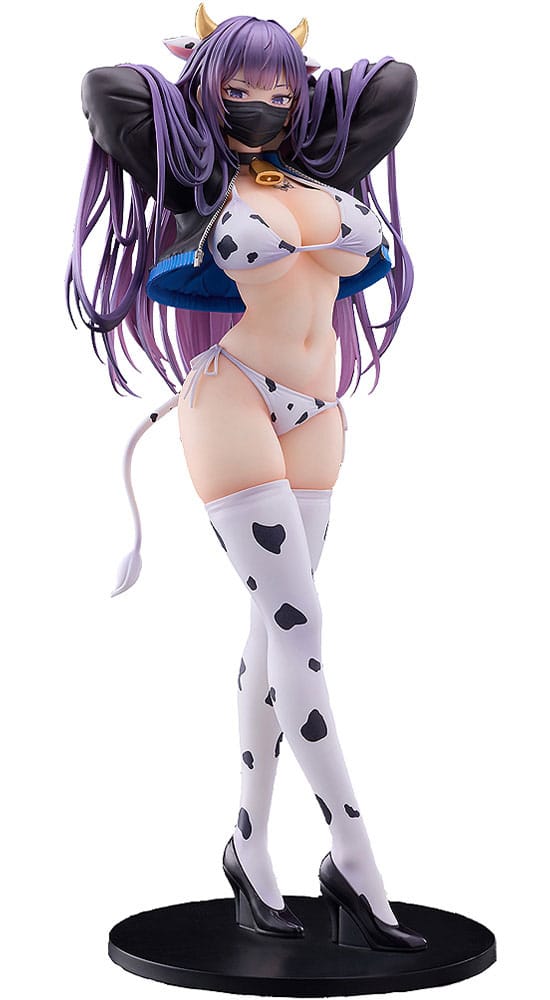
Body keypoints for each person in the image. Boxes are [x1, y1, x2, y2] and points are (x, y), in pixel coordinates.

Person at [67, 6, 426, 950]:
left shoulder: (320, 170)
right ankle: (356, 859)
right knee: (300, 627)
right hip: (232, 400)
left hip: (319, 412)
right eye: (241, 90)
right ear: (207, 94)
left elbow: (396, 83)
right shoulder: (194, 176)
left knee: (276, 628)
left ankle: (248, 848)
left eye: (281, 91)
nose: (262, 106)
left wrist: (294, 87)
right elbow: (106, 88)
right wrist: (199, 87)